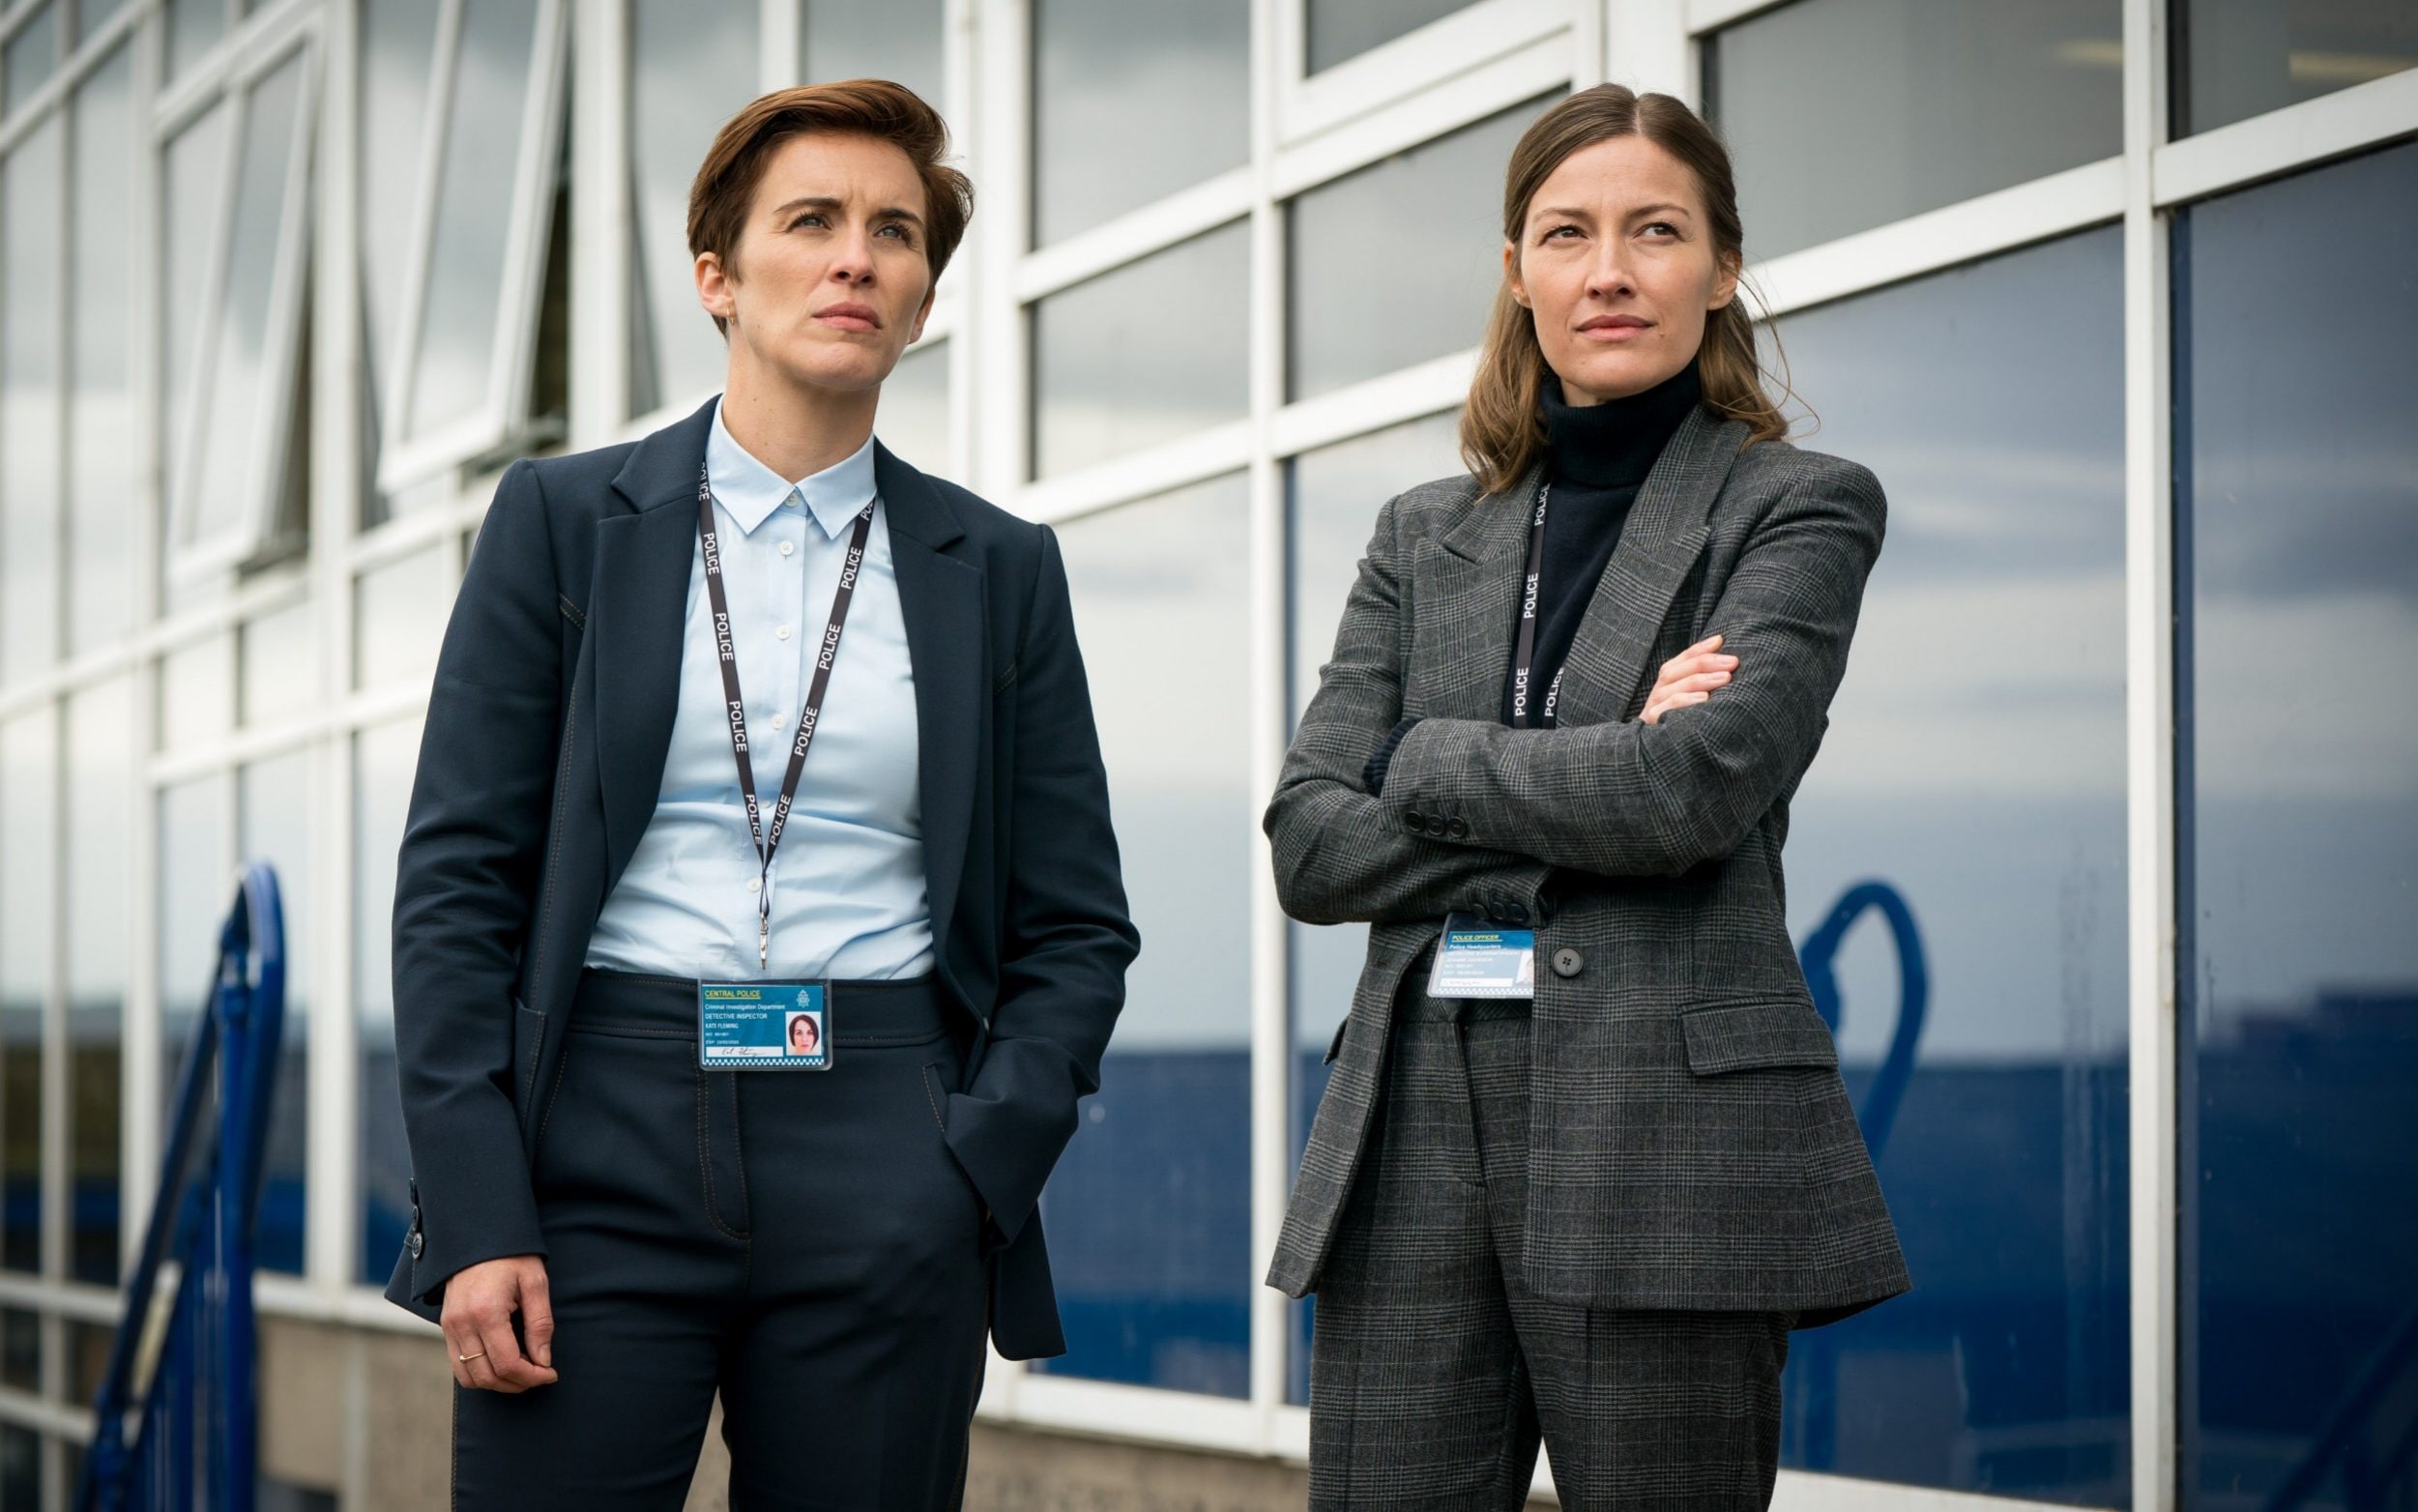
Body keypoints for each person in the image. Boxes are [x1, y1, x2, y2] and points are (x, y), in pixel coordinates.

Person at [383, 79, 1137, 1509]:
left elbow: (1075, 924)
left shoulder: (1000, 567)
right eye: (814, 221)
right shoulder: (559, 526)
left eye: (896, 233)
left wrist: (972, 1167)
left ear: (919, 301)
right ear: (716, 276)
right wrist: (478, 1209)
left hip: (886, 1146)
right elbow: (455, 889)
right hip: (597, 1135)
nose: (859, 257)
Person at [1267, 84, 1908, 1510]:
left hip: (1666, 1135)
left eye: (1654, 230)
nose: (1607, 269)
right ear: (1518, 273)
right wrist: (1594, 769)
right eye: (1565, 233)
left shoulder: (1796, 506)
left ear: (1720, 267)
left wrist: (1417, 760)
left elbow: (1691, 790)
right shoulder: (1421, 533)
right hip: (1411, 1128)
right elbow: (1310, 843)